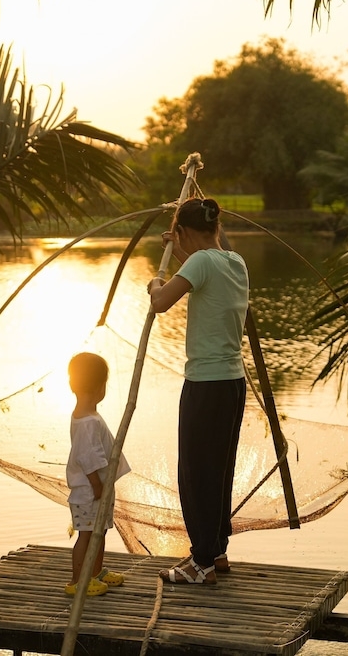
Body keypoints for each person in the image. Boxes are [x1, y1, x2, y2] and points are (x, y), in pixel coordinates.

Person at [147, 197, 249, 585]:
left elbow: (160, 302)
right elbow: (201, 273)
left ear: (184, 232)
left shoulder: (201, 263)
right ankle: (216, 551)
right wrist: (178, 254)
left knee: (196, 472)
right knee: (218, 470)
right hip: (232, 383)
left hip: (205, 384)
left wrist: (155, 282)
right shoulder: (234, 262)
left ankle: (200, 563)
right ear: (216, 228)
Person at [65, 351, 131, 596]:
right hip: (89, 492)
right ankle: (77, 581)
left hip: (97, 489)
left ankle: (94, 573)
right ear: (99, 388)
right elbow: (88, 458)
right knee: (86, 535)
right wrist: (97, 485)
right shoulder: (88, 422)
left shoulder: (86, 416)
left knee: (99, 532)